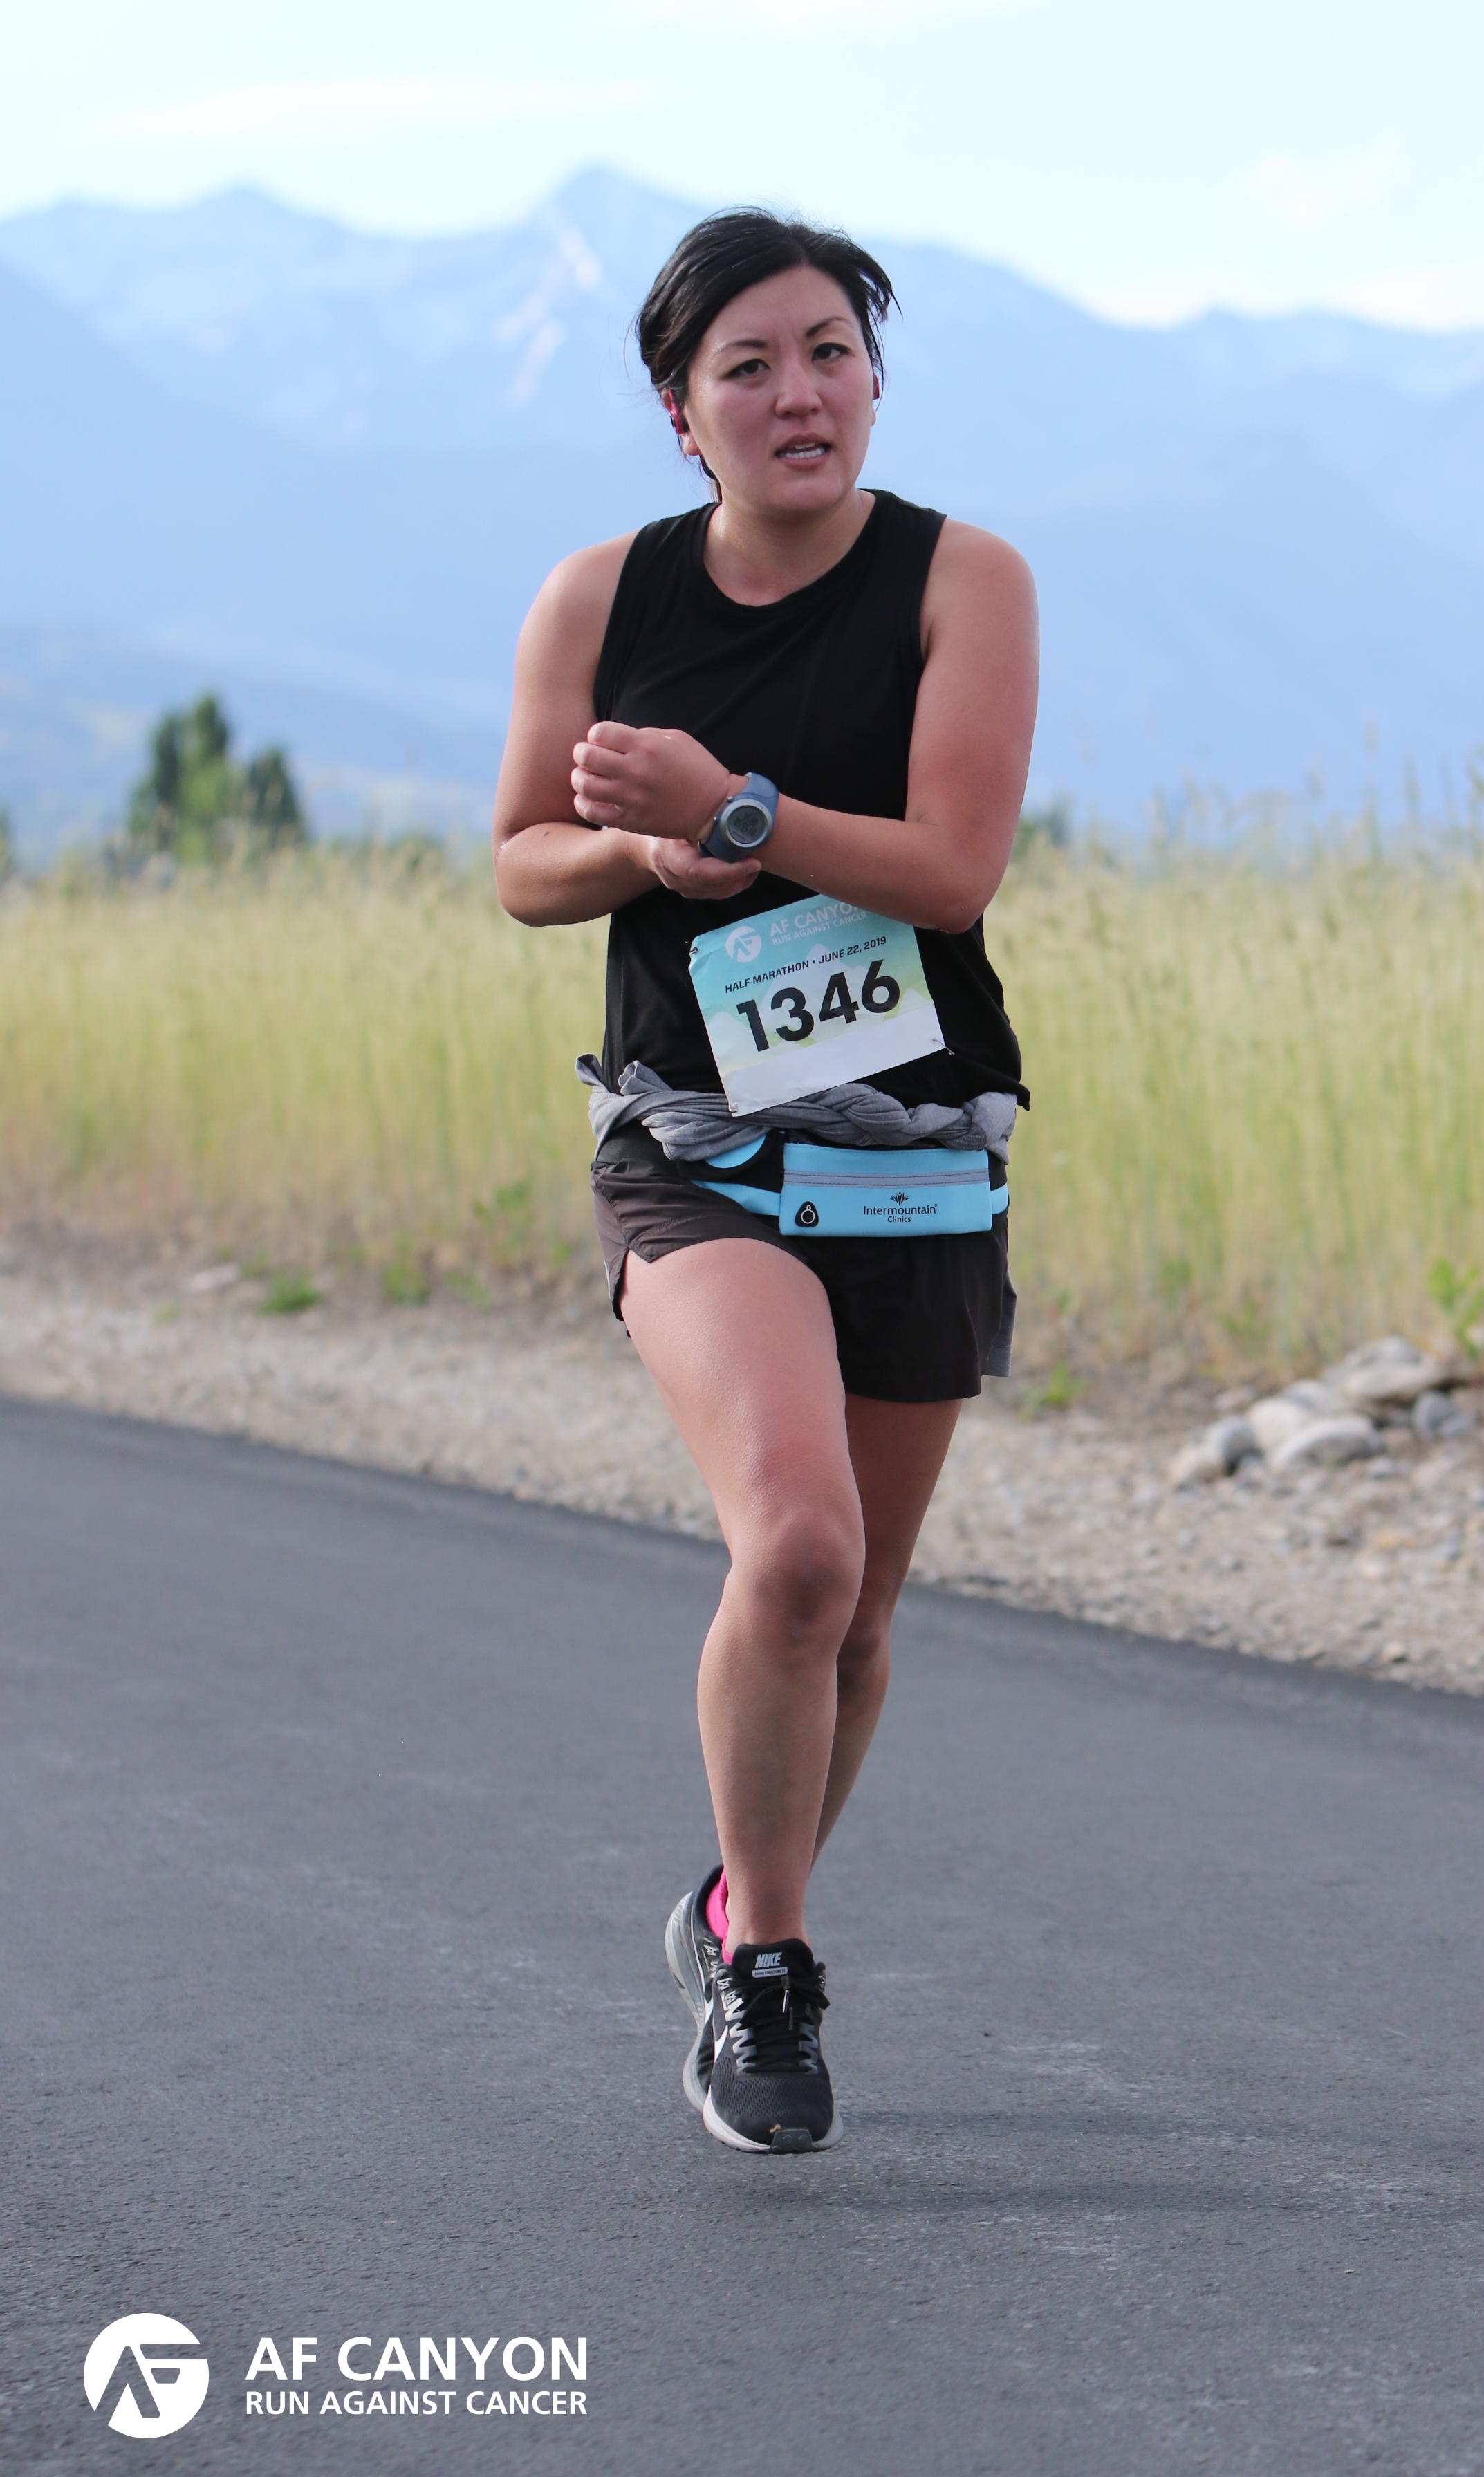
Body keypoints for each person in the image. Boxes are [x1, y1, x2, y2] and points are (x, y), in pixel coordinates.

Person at [492, 208, 1038, 2153]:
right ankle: (771, 1981)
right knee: (795, 1551)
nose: (799, 392)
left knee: (859, 1619)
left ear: (873, 383)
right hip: (696, 1146)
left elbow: (951, 871)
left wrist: (735, 810)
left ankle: (737, 1900)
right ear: (682, 412)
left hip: (916, 1152)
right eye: (750, 366)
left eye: (831, 354)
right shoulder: (603, 597)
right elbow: (521, 865)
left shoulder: (962, 579)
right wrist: (644, 861)